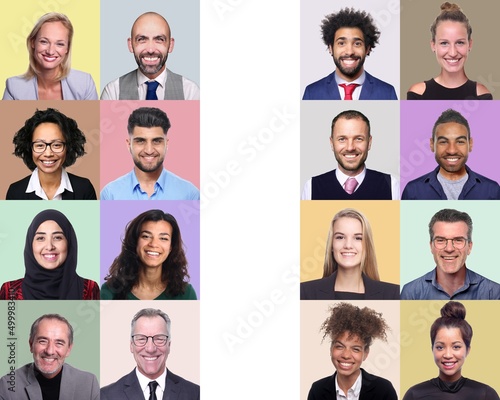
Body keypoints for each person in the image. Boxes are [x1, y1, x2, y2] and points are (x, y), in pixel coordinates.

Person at [403, 301, 499, 399]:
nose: (448, 355)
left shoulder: (486, 394)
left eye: (456, 347)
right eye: (440, 347)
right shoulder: (415, 394)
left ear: (468, 350)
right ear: (432, 349)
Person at [100, 107, 199, 200]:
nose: (149, 150)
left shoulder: (189, 194)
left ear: (166, 144)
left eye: (156, 141)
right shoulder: (110, 194)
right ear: (128, 144)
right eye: (140, 141)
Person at [100, 308, 200, 400]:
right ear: (131, 345)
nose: (150, 349)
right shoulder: (106, 395)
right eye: (141, 339)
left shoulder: (196, 394)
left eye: (159, 339)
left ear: (169, 345)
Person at [0, 209, 100, 300]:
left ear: (69, 242)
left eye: (57, 237)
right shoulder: (10, 291)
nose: (49, 246)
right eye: (40, 238)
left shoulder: (90, 289)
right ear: (30, 244)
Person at [300, 208, 400, 300]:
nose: (348, 245)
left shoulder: (392, 294)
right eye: (340, 237)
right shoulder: (305, 292)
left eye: (358, 238)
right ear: (331, 244)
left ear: (367, 245)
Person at [401, 208, 500, 300]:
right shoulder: (411, 292)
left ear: (469, 247)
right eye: (440, 240)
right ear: (431, 246)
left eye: (458, 240)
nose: (449, 248)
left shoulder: (494, 293)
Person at [402, 109, 500, 200]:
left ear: (470, 144)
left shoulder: (492, 191)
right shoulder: (413, 191)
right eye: (443, 142)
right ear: (432, 145)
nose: (452, 150)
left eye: (460, 142)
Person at [307, 302, 397, 400]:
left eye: (356, 349)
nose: (346, 355)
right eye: (340, 347)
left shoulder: (383, 389)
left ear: (365, 353)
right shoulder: (317, 390)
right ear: (331, 348)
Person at [301, 110, 399, 200]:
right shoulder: (311, 187)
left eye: (358, 139)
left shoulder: (391, 185)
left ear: (369, 142)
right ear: (332, 143)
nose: (350, 147)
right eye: (342, 139)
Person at [302, 8, 397, 100]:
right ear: (330, 48)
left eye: (357, 44)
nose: (349, 52)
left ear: (367, 49)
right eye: (341, 43)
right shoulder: (312, 93)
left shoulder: (387, 93)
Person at [101, 12, 199, 100]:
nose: (151, 49)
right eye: (142, 39)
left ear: (170, 45)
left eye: (159, 39)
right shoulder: (113, 92)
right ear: (130, 45)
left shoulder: (190, 92)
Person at [101, 209, 196, 300]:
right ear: (135, 242)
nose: (154, 244)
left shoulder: (186, 294)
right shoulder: (109, 291)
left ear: (171, 247)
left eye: (163, 238)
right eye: (146, 236)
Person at [0, 314, 99, 400]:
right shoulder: (8, 385)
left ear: (68, 349)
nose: (49, 351)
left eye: (59, 343)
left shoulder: (89, 384)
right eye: (43, 341)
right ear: (31, 345)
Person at [6, 108, 97, 200]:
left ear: (68, 147)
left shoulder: (84, 189)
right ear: (29, 148)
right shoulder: (15, 192)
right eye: (40, 145)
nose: (48, 153)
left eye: (56, 145)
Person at [2, 12, 97, 100]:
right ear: (33, 43)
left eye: (59, 44)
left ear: (67, 48)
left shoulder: (84, 83)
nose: (50, 51)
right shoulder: (14, 87)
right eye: (44, 41)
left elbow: (92, 118)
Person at [407, 2, 492, 100]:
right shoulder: (418, 93)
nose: (453, 53)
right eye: (444, 43)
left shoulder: (482, 95)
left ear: (470, 44)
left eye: (459, 42)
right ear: (433, 45)